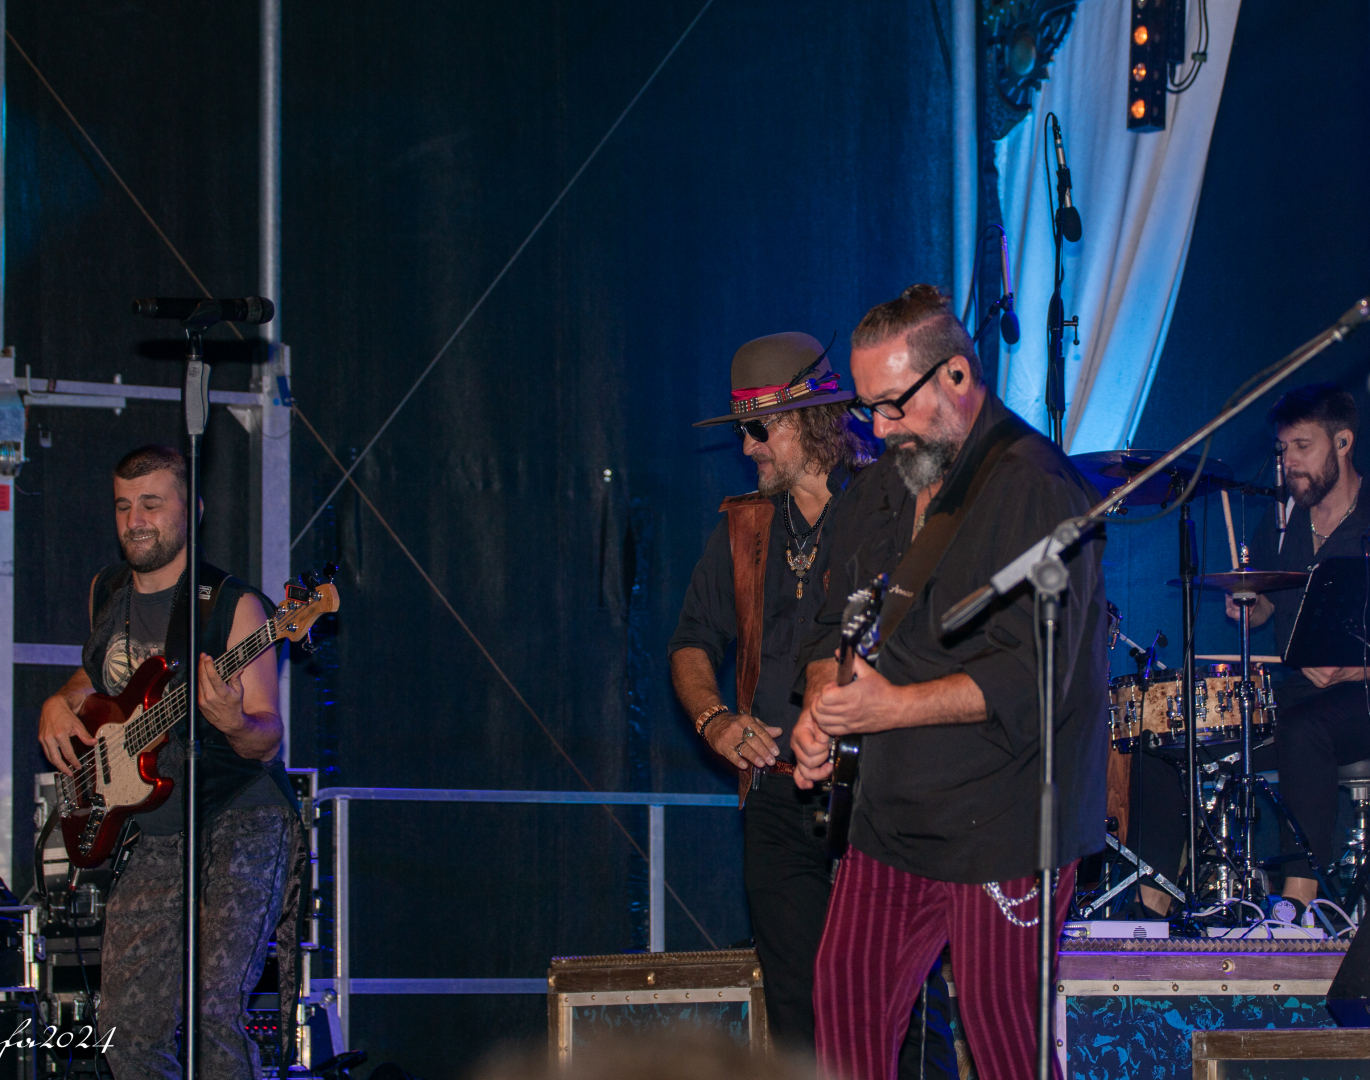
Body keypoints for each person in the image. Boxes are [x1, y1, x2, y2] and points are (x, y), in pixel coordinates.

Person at [791, 285, 1109, 1080]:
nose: (879, 428)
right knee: (844, 1015)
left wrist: (889, 708)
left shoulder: (1037, 485)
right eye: (867, 408)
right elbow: (835, 624)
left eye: (893, 405)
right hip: (892, 816)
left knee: (1005, 1047)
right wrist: (821, 708)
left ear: (958, 377)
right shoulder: (883, 484)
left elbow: (1033, 677)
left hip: (1004, 821)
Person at [668, 333, 955, 1075]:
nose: (748, 448)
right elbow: (691, 640)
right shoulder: (745, 527)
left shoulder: (888, 505)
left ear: (811, 419)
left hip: (879, 794)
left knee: (901, 1008)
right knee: (798, 1012)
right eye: (742, 432)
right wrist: (714, 720)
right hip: (776, 797)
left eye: (759, 429)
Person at [38, 445, 303, 1080]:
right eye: (123, 506)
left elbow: (266, 737)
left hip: (240, 817)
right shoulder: (108, 590)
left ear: (193, 510)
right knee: (124, 1028)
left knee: (213, 1011)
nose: (135, 521)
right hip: (156, 829)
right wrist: (58, 701)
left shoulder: (235, 606)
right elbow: (97, 676)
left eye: (152, 504)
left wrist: (233, 720)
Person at [1227, 383, 1370, 913]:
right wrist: (1249, 606)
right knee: (1186, 734)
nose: (1288, 463)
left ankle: (1300, 903)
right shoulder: (1282, 519)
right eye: (1283, 449)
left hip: (1362, 696)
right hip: (1296, 691)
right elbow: (1266, 605)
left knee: (1303, 728)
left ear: (1343, 443)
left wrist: (1360, 670)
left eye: (1302, 447)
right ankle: (1154, 908)